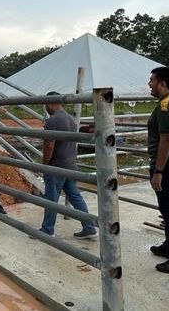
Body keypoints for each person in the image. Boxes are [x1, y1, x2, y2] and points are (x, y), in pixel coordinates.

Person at [38, 91, 96, 238]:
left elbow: (49, 145)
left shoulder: (52, 120)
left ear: (51, 102)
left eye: (46, 103)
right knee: (75, 197)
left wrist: (44, 164)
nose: (45, 107)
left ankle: (47, 230)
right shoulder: (71, 119)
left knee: (51, 199)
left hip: (56, 165)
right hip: (70, 165)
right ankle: (89, 227)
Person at [147, 66, 169, 274]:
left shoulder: (165, 106)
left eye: (152, 80)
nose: (149, 84)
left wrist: (158, 170)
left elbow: (166, 139)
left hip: (166, 166)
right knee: (168, 210)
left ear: (162, 83)